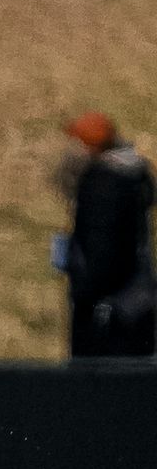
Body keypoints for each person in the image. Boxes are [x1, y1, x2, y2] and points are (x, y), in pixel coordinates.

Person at [61, 112, 154, 357]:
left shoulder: (104, 185)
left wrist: (84, 293)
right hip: (135, 304)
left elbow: (104, 254)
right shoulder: (131, 177)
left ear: (90, 147)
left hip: (110, 312)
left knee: (100, 386)